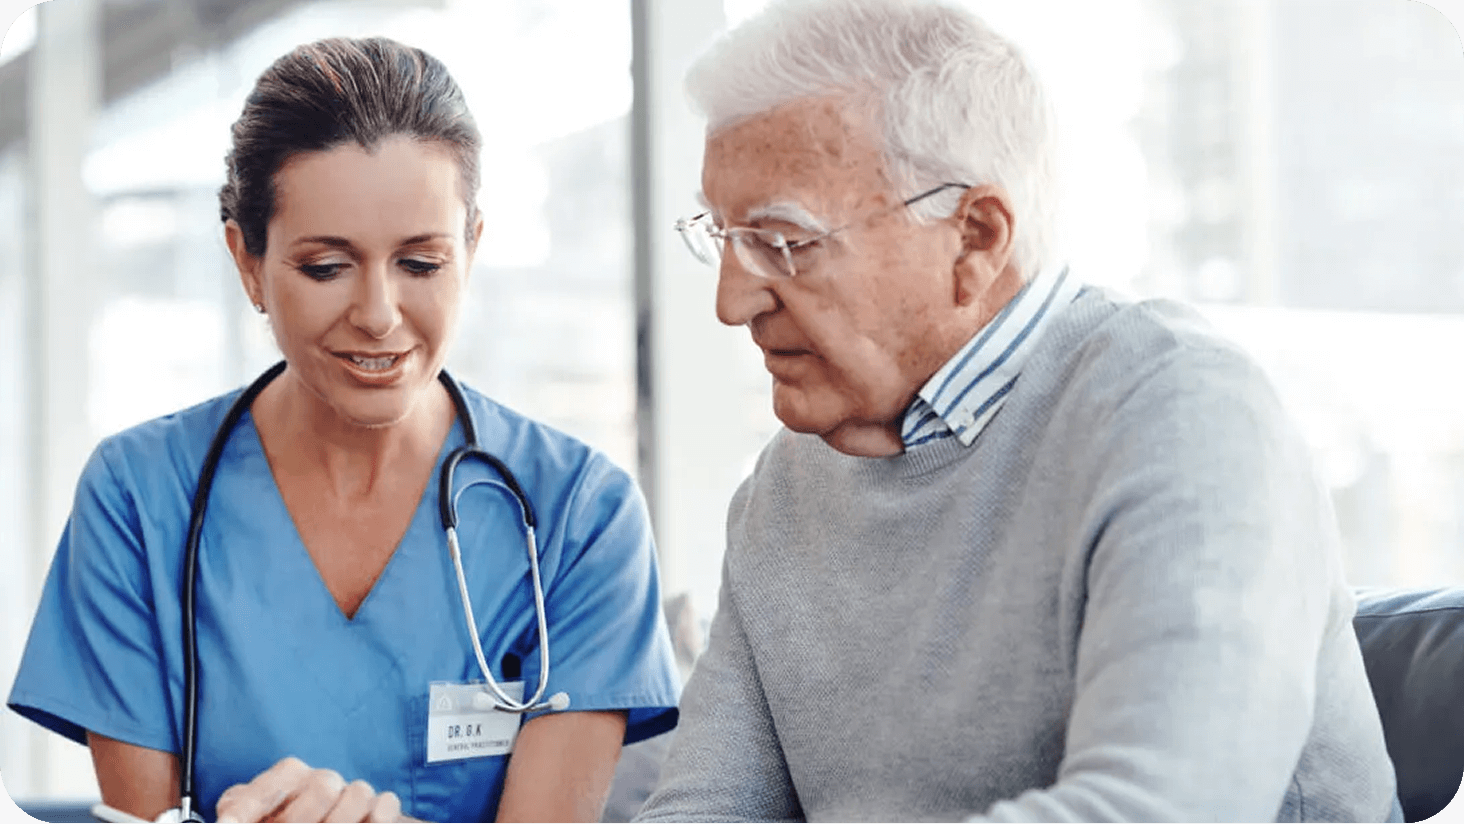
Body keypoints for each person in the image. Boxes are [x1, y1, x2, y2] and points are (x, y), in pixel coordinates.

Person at [635, 0, 1400, 821]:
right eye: (721, 235)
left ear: (974, 237)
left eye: (783, 240)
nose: (731, 300)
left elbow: (1163, 808)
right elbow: (704, 807)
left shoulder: (1185, 413)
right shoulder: (781, 496)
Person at [7, 36, 680, 824]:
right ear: (247, 261)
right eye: (327, 266)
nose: (379, 315)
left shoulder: (580, 515)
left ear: (472, 248)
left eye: (421, 264)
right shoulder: (138, 498)